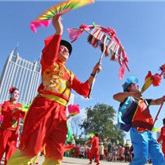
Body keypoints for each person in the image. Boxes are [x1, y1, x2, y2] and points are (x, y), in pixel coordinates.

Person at [7, 14, 101, 165]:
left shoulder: (70, 75)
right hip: (43, 107)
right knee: (32, 147)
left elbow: (84, 90)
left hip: (61, 113)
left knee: (56, 152)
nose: (65, 49)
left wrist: (93, 73)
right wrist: (59, 31)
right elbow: (48, 54)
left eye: (67, 50)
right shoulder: (49, 63)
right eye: (61, 47)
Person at [113, 76, 165, 165]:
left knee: (159, 156)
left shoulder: (144, 100)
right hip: (138, 131)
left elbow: (156, 102)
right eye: (135, 84)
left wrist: (163, 99)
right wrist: (132, 94)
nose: (138, 85)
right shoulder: (129, 99)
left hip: (149, 132)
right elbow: (115, 97)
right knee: (142, 158)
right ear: (129, 88)